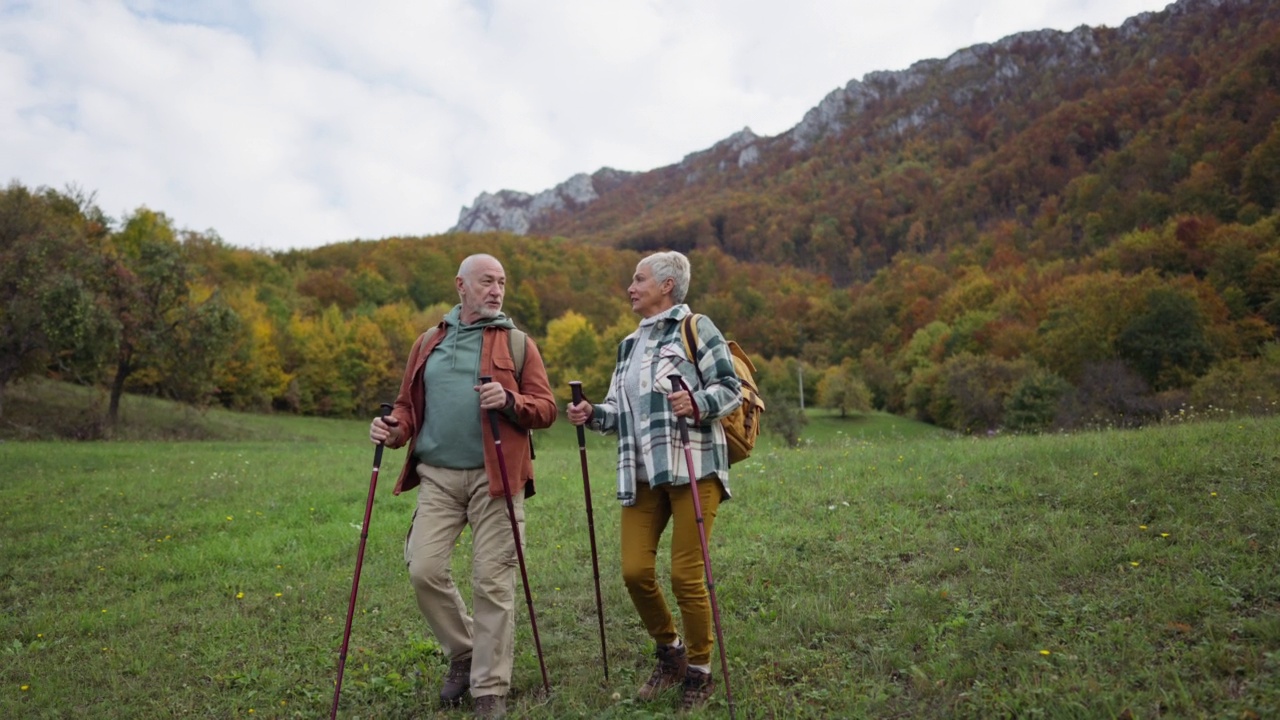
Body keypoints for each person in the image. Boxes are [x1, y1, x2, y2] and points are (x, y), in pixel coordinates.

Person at [369, 253, 557, 720]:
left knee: (493, 583)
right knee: (423, 569)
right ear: (461, 286)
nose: (497, 290)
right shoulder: (428, 342)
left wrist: (511, 401)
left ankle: (489, 689)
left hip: (497, 479)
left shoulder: (517, 343)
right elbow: (407, 409)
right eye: (487, 282)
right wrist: (392, 430)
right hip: (438, 476)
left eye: (502, 283)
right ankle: (465, 649)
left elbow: (546, 408)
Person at [566, 250, 741, 711]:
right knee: (634, 571)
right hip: (642, 472)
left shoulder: (696, 328)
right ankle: (672, 653)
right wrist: (592, 414)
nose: (630, 286)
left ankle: (700, 674)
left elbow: (730, 388)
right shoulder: (628, 345)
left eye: (638, 279)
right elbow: (618, 412)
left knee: (686, 576)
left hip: (694, 467)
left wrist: (698, 402)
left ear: (666, 285)